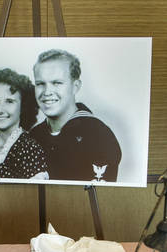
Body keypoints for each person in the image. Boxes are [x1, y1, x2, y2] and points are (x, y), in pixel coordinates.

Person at [28, 49, 122, 182]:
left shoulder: (98, 134)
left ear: (75, 86)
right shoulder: (34, 136)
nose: (47, 92)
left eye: (57, 83)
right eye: (40, 84)